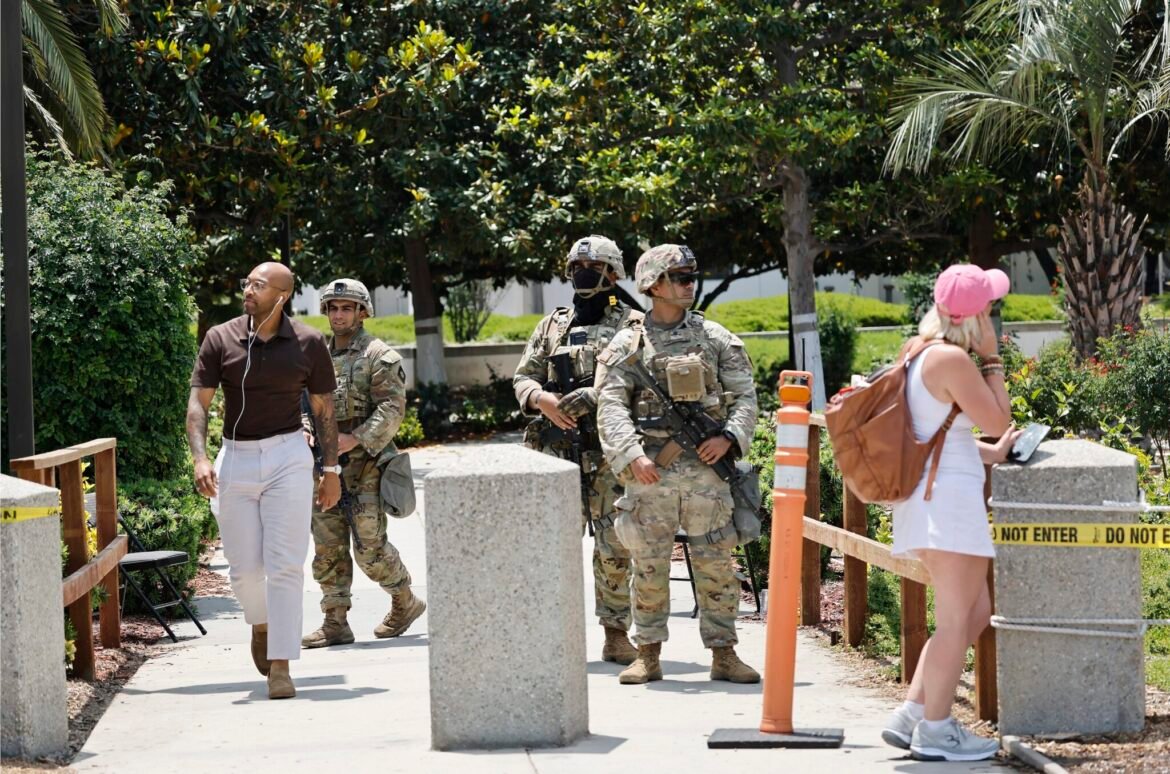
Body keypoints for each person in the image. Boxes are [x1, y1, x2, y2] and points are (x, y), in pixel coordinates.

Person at [595, 244, 760, 685]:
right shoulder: (628, 345)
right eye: (681, 277)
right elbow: (610, 405)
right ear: (652, 285)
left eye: (692, 276)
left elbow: (746, 396)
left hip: (709, 475)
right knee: (648, 566)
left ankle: (724, 654)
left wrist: (729, 437)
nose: (690, 284)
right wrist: (632, 455)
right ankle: (647, 654)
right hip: (651, 475)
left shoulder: (715, 338)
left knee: (717, 565)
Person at [880, 264, 1020, 761]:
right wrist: (993, 359)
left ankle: (913, 713)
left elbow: (942, 435)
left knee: (971, 613)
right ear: (975, 316)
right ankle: (937, 731)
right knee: (957, 618)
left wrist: (993, 454)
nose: (995, 318)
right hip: (949, 503)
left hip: (930, 496)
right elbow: (997, 418)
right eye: (990, 310)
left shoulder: (918, 353)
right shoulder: (954, 361)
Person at [187, 262, 340, 700]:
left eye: (258, 285)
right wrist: (200, 458)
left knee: (285, 566)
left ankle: (281, 664)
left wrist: (329, 471)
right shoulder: (221, 337)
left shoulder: (309, 343)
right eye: (247, 283)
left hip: (288, 456)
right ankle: (262, 622)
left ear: (282, 295)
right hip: (235, 457)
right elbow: (198, 404)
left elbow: (325, 411)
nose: (248, 290)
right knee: (244, 571)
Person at [513, 235, 642, 666]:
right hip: (557, 455)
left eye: (593, 265)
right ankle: (553, 634)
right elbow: (522, 377)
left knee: (614, 547)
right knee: (552, 547)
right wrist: (541, 401)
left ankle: (616, 632)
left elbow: (642, 383)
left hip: (607, 454)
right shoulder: (552, 325)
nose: (583, 272)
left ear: (613, 273)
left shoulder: (633, 324)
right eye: (577, 265)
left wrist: (596, 395)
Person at [301, 279, 426, 648]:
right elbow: (304, 404)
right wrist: (307, 429)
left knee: (369, 547)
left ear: (362, 312)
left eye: (347, 308)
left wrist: (353, 439)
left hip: (367, 464)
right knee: (327, 544)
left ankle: (404, 600)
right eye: (333, 308)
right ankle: (334, 620)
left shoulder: (378, 355)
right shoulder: (314, 357)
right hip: (324, 464)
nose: (339, 315)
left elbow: (392, 409)